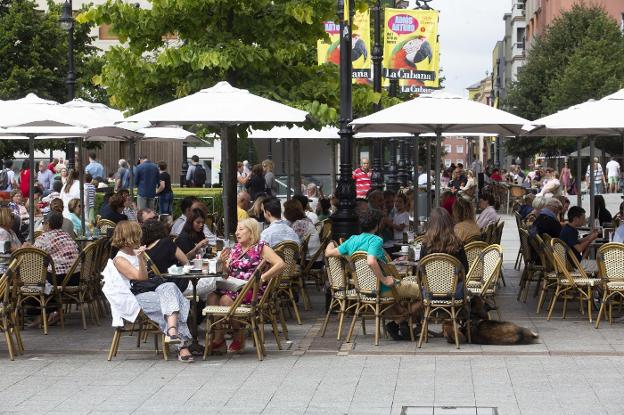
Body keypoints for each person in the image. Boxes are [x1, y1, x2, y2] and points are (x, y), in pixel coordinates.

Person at [325, 208, 419, 340]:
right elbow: (370, 261)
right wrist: (385, 279)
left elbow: (329, 253)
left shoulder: (352, 240)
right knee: (425, 292)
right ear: (378, 225)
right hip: (385, 288)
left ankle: (402, 322)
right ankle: (399, 322)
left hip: (364, 290)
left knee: (399, 302)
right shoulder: (375, 240)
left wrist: (330, 242)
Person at [107, 220, 194, 362]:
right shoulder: (120, 259)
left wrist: (140, 256)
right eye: (138, 234)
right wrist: (141, 259)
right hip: (136, 297)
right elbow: (140, 278)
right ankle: (182, 347)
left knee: (170, 287)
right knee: (175, 301)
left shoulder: (136, 252)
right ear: (131, 236)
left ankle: (172, 330)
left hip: (152, 290)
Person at [207, 218, 285, 354]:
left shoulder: (260, 247)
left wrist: (263, 278)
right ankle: (219, 339)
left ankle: (238, 336)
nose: (237, 233)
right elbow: (227, 274)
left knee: (225, 300)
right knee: (212, 297)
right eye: (237, 230)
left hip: (251, 289)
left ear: (251, 231)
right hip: (233, 287)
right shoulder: (236, 248)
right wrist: (222, 263)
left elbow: (280, 263)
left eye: (241, 229)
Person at [142, 219, 216, 300]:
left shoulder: (145, 251)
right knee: (217, 279)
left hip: (164, 288)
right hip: (182, 285)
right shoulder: (166, 242)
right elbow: (186, 262)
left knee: (208, 293)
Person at [419, 207, 470, 295]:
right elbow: (465, 269)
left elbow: (421, 270)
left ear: (431, 224)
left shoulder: (425, 245)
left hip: (430, 292)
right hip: (454, 292)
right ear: (449, 223)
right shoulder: (457, 244)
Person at [559, 206, 599, 273]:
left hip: (573, 263)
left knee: (601, 264)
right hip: (576, 265)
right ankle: (601, 283)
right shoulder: (570, 231)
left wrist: (589, 236)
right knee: (603, 265)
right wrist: (590, 239)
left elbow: (576, 242)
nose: (584, 220)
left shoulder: (568, 228)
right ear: (576, 219)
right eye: (583, 218)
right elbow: (579, 249)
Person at [0, 208, 21, 273]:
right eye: (12, 217)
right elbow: (5, 249)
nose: (14, 219)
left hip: (14, 262)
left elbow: (17, 246)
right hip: (5, 266)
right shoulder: (2, 232)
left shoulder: (11, 231)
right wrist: (21, 248)